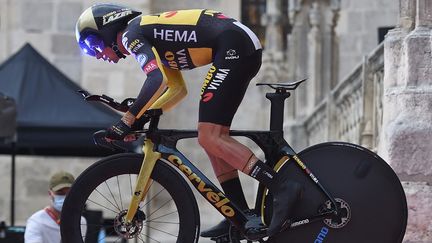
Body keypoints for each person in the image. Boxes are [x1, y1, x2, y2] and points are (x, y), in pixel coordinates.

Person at [75, 4, 302, 238]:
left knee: (209, 136)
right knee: (212, 139)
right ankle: (239, 214)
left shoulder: (132, 33)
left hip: (234, 46)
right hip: (237, 45)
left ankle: (282, 188)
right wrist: (138, 119)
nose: (99, 55)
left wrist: (126, 121)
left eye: (94, 46)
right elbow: (176, 89)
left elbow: (155, 80)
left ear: (108, 30)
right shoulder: (150, 36)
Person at [24, 171, 86, 243]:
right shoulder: (36, 222)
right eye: (60, 193)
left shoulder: (81, 221)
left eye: (69, 193)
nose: (65, 197)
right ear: (50, 193)